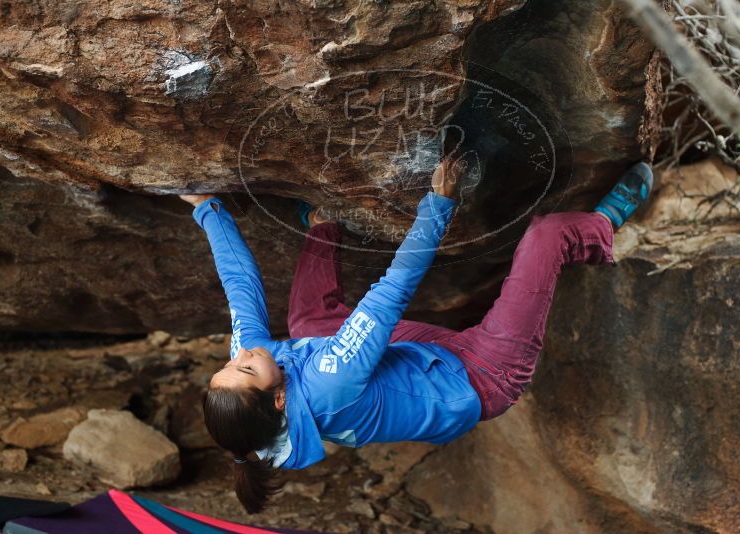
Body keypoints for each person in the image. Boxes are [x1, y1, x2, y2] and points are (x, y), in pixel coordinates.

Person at [180, 159, 653, 514]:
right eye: (242, 368)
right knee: (546, 236)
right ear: (279, 400)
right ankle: (600, 230)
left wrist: (209, 209)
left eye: (225, 366)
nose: (239, 354)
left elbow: (240, 289)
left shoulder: (259, 375)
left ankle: (324, 223)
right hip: (483, 375)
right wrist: (439, 204)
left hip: (419, 358)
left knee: (309, 326)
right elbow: (392, 291)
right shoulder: (330, 382)